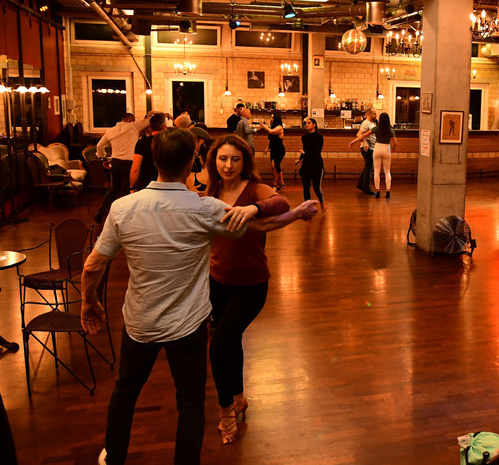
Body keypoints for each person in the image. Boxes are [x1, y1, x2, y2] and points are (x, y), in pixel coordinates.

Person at [80, 128, 266, 465]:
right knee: (190, 402)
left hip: (140, 323)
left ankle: (115, 457)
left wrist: (89, 302)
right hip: (187, 326)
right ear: (192, 162)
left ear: (154, 161)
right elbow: (256, 226)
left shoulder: (123, 207)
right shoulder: (206, 208)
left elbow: (93, 266)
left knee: (125, 391)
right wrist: (286, 212)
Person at [205, 134, 318, 445]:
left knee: (218, 345)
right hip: (217, 281)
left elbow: (280, 202)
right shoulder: (211, 191)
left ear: (245, 162)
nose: (228, 165)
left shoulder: (254, 189)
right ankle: (238, 396)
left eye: (235, 159)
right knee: (230, 339)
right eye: (223, 159)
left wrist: (253, 209)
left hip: (251, 284)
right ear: (214, 161)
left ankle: (226, 410)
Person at [93, 112, 150, 224]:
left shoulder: (111, 130)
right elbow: (150, 121)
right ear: (130, 121)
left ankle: (100, 213)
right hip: (128, 163)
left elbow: (99, 146)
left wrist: (103, 158)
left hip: (116, 163)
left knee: (114, 189)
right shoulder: (133, 126)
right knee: (125, 191)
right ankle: (125, 218)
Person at [129, 112, 166, 192]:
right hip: (166, 185)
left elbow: (135, 168)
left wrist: (132, 187)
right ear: (164, 127)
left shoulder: (142, 143)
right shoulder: (169, 142)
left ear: (150, 127)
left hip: (147, 185)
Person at [296, 117, 325, 210]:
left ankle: (322, 202)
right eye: (306, 123)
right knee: (306, 187)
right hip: (306, 165)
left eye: (309, 123)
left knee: (316, 187)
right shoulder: (304, 137)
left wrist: (304, 153)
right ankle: (308, 207)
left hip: (316, 165)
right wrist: (300, 159)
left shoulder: (319, 137)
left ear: (314, 125)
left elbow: (316, 152)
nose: (306, 125)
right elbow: (305, 149)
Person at [261, 112, 286, 190]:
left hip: (279, 149)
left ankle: (275, 184)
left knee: (274, 166)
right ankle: (281, 182)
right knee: (275, 166)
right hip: (273, 149)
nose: (271, 119)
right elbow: (270, 138)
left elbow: (271, 132)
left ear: (276, 119)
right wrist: (267, 148)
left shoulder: (279, 127)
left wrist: (262, 125)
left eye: (272, 117)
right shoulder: (273, 127)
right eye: (271, 117)